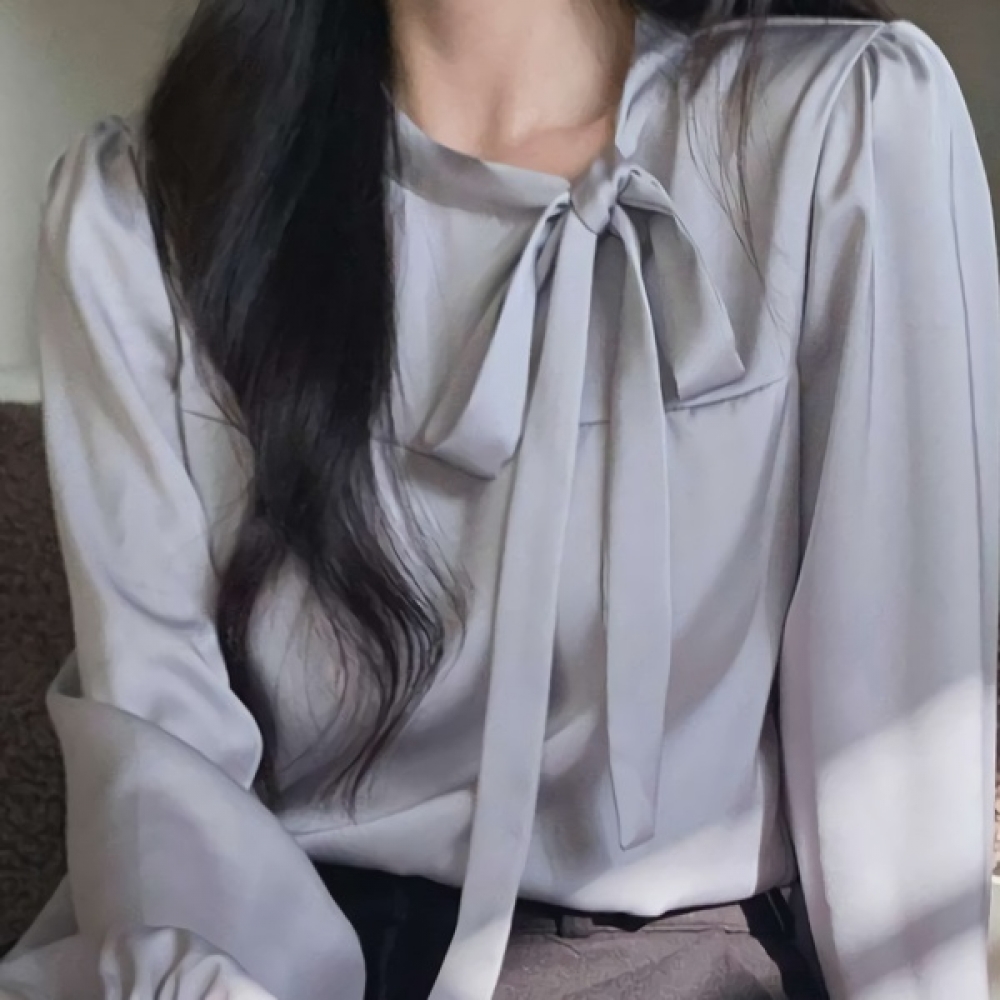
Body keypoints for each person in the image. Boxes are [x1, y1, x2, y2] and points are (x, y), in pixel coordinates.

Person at [1, 0, 997, 997]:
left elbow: (899, 787)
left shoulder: (840, 126)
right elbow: (161, 783)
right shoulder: (141, 213)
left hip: (670, 963)